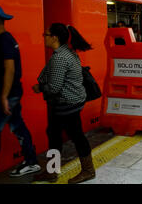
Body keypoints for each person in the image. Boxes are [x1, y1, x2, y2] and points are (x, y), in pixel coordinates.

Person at [0, 5, 40, 183]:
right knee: (18, 126)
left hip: (7, 95)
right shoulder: (4, 40)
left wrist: (4, 97)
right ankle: (31, 161)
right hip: (11, 94)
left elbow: (10, 69)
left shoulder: (4, 40)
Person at [32, 23, 95, 184]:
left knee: (76, 136)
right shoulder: (68, 52)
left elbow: (54, 88)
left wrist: (40, 88)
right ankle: (52, 171)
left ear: (54, 37)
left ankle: (88, 170)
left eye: (45, 35)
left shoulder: (59, 58)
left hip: (67, 104)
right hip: (71, 102)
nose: (43, 38)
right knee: (54, 135)